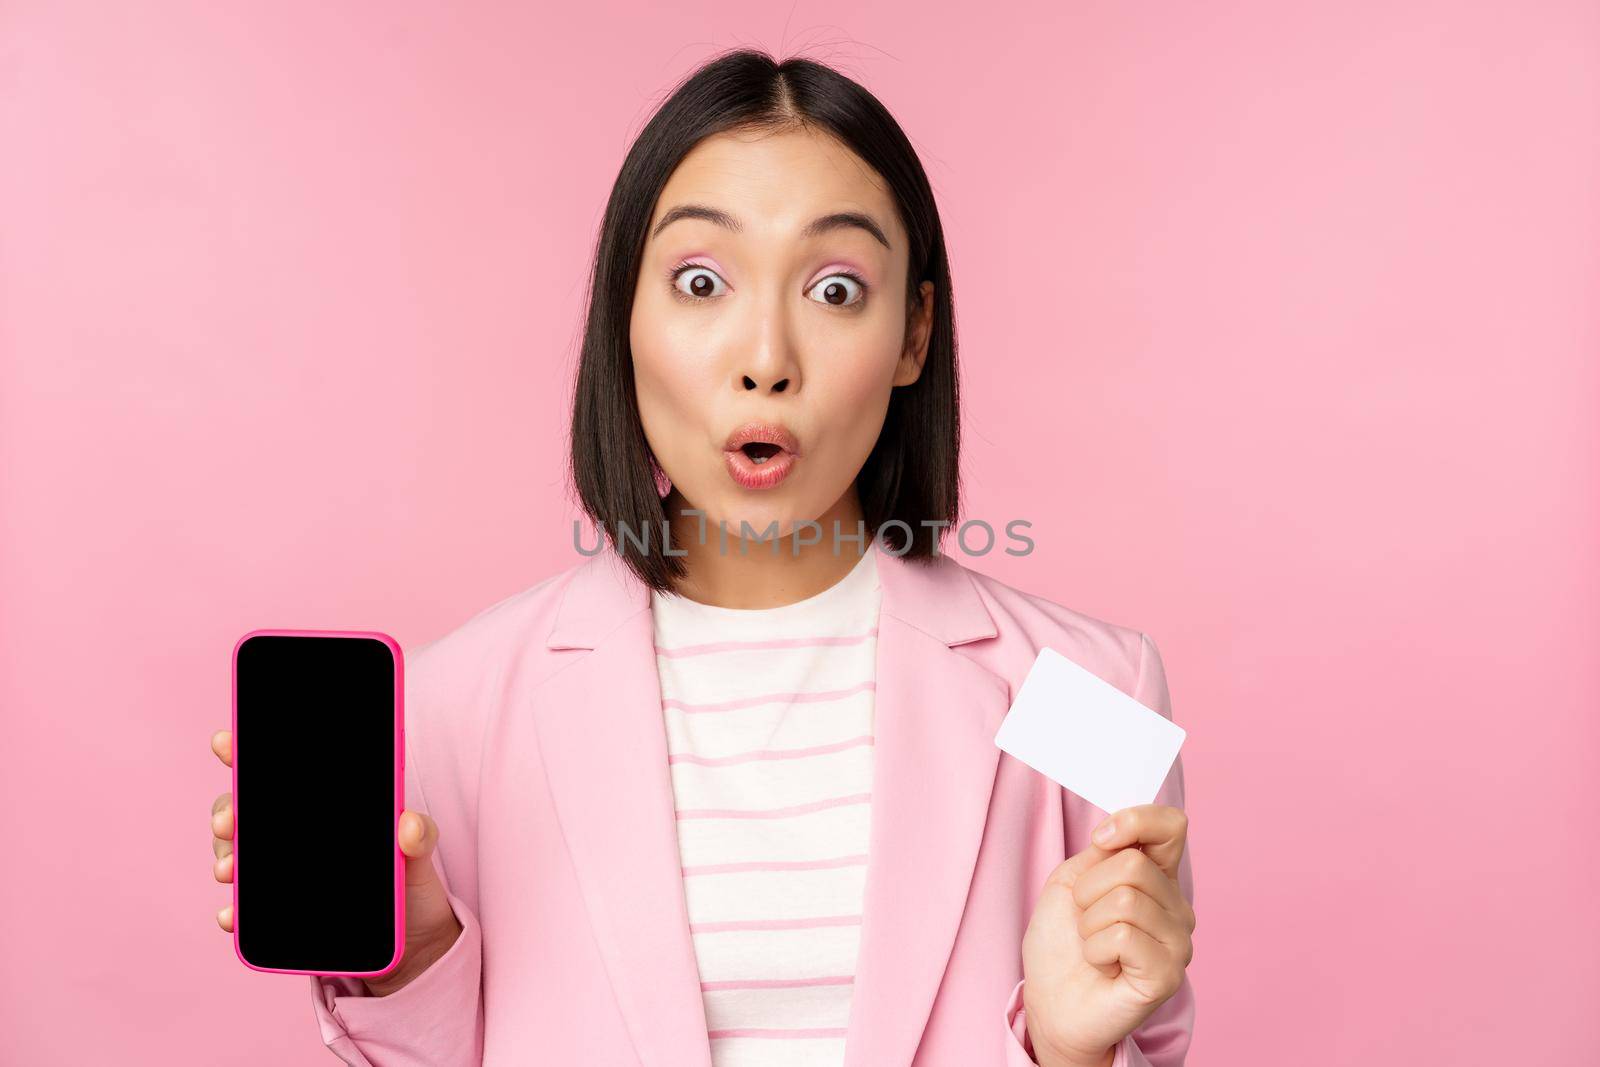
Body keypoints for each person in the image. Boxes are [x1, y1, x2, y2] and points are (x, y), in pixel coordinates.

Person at [208, 48, 1195, 1067]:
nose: (764, 357)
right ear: (624, 322)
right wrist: (409, 965)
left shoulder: (1087, 695)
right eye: (699, 281)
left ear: (914, 334)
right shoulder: (455, 707)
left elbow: (1148, 1035)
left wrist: (1067, 1052)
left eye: (838, 288)